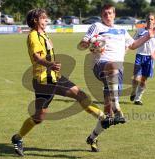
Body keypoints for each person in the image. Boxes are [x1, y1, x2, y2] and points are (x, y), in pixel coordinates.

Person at [11, 8, 115, 156]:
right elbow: (35, 56)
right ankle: (17, 138)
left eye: (46, 18)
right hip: (44, 81)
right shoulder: (33, 36)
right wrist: (49, 64)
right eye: (43, 18)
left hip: (54, 76)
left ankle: (103, 118)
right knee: (39, 117)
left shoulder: (44, 34)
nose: (46, 20)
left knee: (80, 95)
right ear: (35, 20)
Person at [78, 4, 155, 152]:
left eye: (110, 13)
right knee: (112, 66)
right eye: (104, 14)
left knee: (107, 117)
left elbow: (133, 45)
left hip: (116, 74)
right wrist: (90, 43)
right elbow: (82, 44)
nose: (107, 16)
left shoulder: (122, 30)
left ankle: (93, 137)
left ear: (114, 15)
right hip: (101, 65)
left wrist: (148, 36)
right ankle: (117, 107)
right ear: (101, 15)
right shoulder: (96, 26)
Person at [130, 13, 155, 105]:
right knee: (136, 78)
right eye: (148, 19)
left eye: (152, 19)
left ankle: (138, 99)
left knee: (143, 80)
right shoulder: (140, 31)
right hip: (140, 56)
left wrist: (154, 55)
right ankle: (133, 91)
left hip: (149, 58)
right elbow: (132, 42)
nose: (149, 21)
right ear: (145, 20)